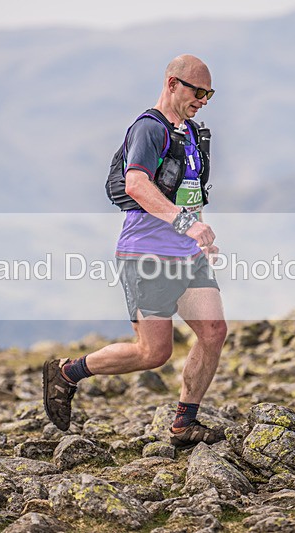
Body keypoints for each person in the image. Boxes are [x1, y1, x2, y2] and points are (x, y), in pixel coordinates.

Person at [43, 54, 228, 449]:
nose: (204, 99)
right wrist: (187, 225)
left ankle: (184, 423)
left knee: (213, 331)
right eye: (198, 91)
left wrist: (200, 238)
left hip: (187, 257)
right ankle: (68, 373)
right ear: (173, 83)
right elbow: (136, 185)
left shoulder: (192, 133)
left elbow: (187, 195)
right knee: (153, 353)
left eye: (209, 93)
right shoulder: (149, 128)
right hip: (146, 256)